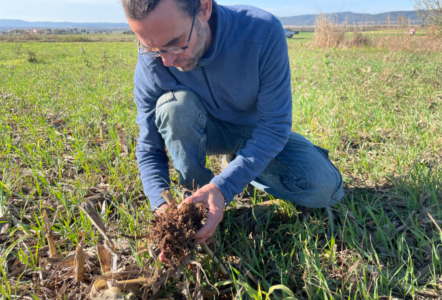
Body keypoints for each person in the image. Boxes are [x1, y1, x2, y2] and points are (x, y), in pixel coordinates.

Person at [121, 0, 344, 245]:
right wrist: (161, 206)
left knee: (325, 187)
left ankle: (239, 167)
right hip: (204, 131)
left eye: (176, 44)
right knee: (174, 107)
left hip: (256, 133)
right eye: (152, 49)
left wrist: (226, 185)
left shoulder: (262, 31)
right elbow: (149, 146)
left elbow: (275, 126)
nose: (166, 61)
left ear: (204, 8)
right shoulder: (153, 62)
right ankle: (196, 204)